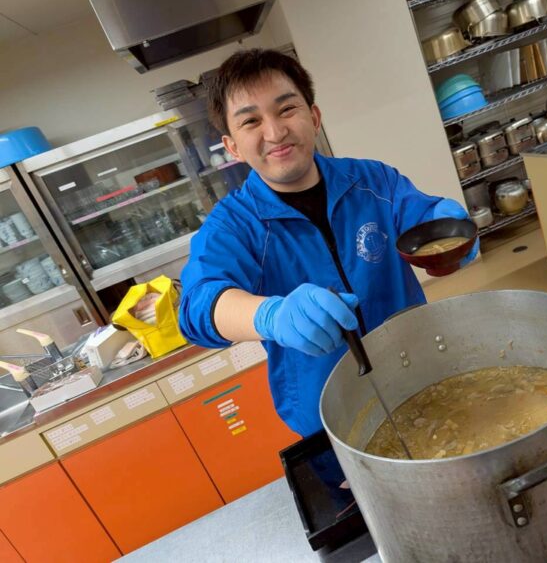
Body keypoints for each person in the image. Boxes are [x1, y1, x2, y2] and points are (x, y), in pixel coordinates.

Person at [179, 48, 478, 437]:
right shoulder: (233, 225)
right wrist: (271, 316)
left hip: (422, 377)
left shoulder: (373, 181)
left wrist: (446, 224)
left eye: (287, 109)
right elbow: (198, 306)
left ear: (314, 117)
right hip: (332, 420)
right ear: (232, 146)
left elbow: (421, 218)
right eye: (251, 121)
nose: (275, 133)